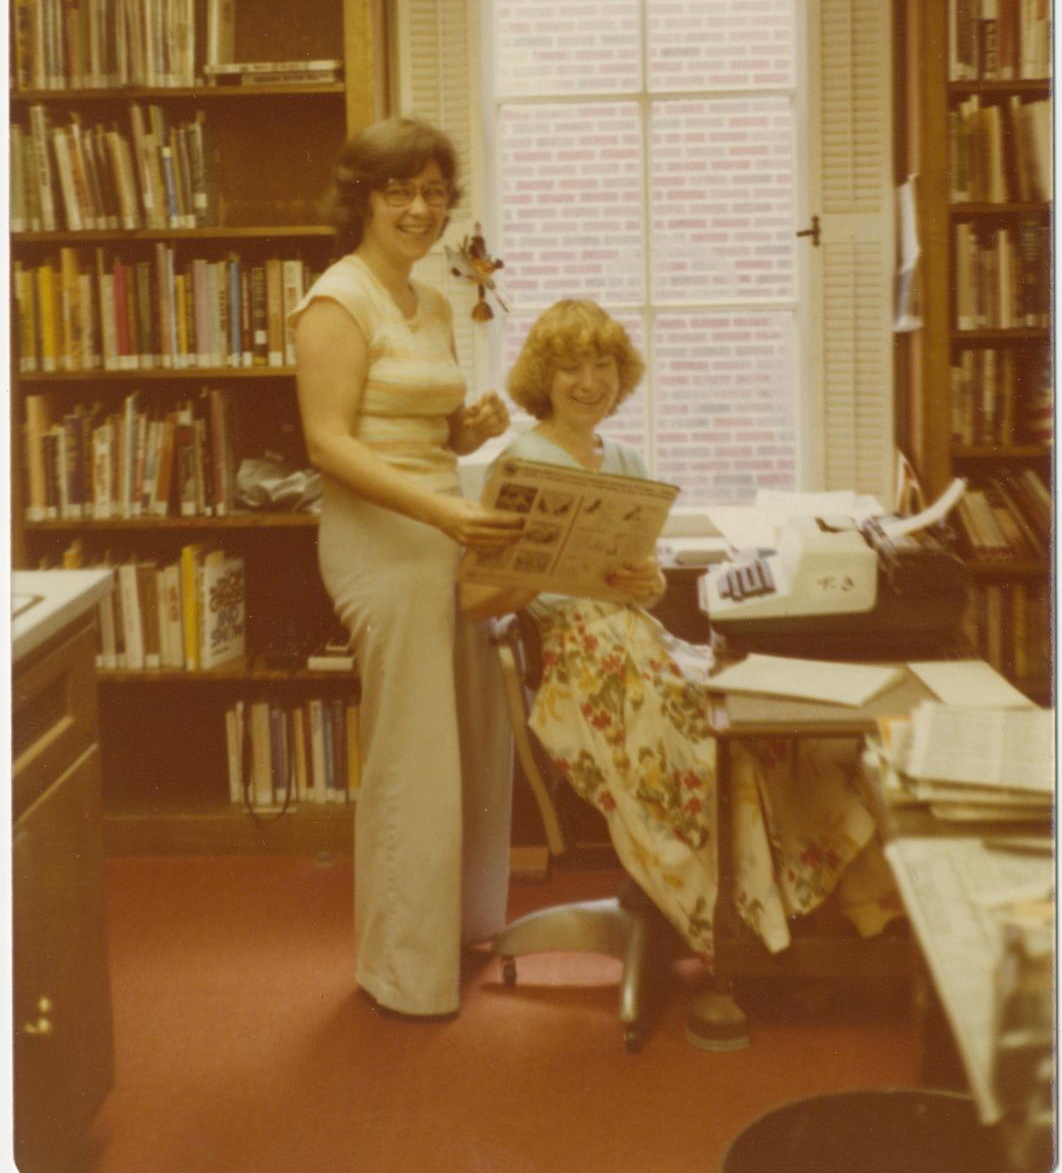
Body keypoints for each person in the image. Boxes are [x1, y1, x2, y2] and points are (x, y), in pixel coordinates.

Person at [460, 299, 895, 967]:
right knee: (718, 755)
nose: (589, 381)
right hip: (582, 667)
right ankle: (744, 935)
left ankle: (847, 903)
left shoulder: (627, 457)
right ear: (543, 377)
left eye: (603, 364)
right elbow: (470, 596)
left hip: (641, 639)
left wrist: (646, 583)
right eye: (570, 366)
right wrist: (549, 570)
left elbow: (649, 581)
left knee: (772, 728)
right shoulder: (520, 461)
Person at [290, 116, 524, 1018]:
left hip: (436, 527)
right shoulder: (337, 300)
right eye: (400, 190)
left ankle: (454, 925)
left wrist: (465, 434)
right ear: (363, 197)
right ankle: (401, 971)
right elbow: (328, 444)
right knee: (415, 757)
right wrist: (441, 504)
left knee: (466, 738)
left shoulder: (424, 302)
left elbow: (417, 428)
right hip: (381, 542)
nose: (419, 208)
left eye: (433, 191)